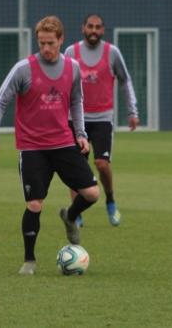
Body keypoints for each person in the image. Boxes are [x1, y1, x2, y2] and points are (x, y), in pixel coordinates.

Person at [0, 16, 100, 275]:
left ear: (61, 40)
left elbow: (77, 102)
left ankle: (70, 217)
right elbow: (0, 100)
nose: (46, 48)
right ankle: (29, 260)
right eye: (41, 43)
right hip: (32, 148)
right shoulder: (23, 69)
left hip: (63, 143)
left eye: (51, 43)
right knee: (35, 204)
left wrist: (80, 133)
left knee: (92, 194)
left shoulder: (72, 68)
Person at [64, 14, 139, 227]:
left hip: (103, 118)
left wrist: (132, 111)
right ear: (83, 28)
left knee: (102, 164)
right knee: (76, 167)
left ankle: (111, 201)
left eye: (98, 27)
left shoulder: (112, 53)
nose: (94, 31)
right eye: (90, 26)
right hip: (76, 118)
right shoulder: (71, 52)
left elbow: (125, 81)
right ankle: (76, 212)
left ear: (103, 30)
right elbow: (62, 82)